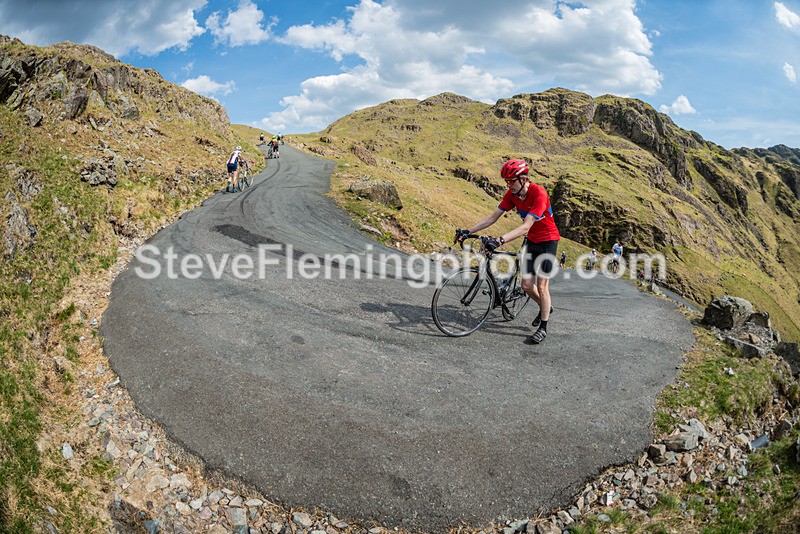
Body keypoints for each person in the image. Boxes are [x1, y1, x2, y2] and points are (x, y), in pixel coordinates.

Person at [455, 158, 560, 345]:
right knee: (527, 286)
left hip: (548, 241)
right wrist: (468, 231)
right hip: (532, 240)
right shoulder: (512, 195)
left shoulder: (539, 193)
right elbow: (493, 217)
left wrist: (500, 240)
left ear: (523, 179)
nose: (508, 185)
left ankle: (543, 326)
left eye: (511, 181)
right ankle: (546, 306)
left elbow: (527, 226)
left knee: (542, 286)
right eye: (506, 181)